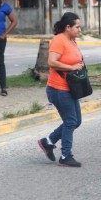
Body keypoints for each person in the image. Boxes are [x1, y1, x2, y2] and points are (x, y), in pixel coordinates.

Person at [37, 12, 85, 168]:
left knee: (76, 121)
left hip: (71, 88)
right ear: (68, 27)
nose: (80, 30)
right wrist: (71, 67)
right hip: (58, 89)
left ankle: (48, 141)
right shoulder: (59, 40)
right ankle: (66, 155)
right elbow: (52, 62)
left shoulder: (72, 41)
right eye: (77, 27)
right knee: (70, 121)